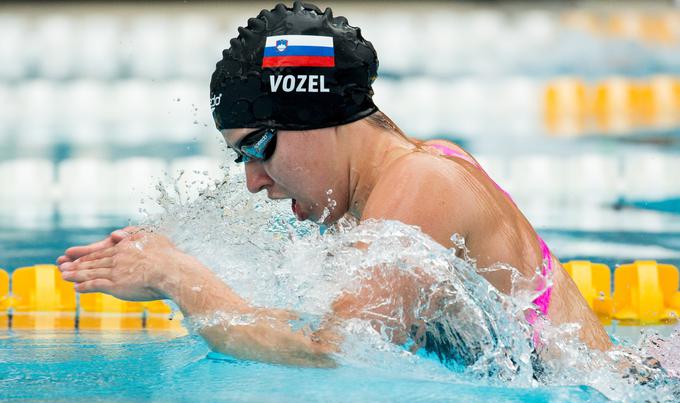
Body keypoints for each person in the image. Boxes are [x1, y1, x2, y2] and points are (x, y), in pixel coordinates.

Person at [57, 1, 612, 368]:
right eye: (240, 159)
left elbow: (335, 353)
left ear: (316, 119)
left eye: (258, 146)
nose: (253, 181)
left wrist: (176, 275)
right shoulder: (398, 181)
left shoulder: (424, 182)